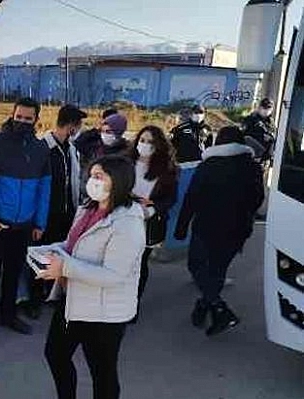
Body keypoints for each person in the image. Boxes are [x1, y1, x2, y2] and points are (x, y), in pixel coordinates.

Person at [39, 155, 145, 399]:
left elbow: (114, 275)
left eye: (99, 177)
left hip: (104, 314)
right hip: (73, 300)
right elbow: (72, 244)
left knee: (102, 373)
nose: (92, 181)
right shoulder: (88, 208)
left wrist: (64, 268)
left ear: (117, 181)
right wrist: (46, 252)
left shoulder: (128, 223)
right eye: (91, 176)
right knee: (55, 354)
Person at [0, 97, 51, 343]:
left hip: (24, 225)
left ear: (36, 120)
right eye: (19, 117)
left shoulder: (40, 150)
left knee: (14, 271)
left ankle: (8, 315)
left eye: (28, 119)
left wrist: (40, 222)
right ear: (12, 115)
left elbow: (44, 189)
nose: (23, 122)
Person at [174, 126, 264, 336]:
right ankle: (205, 306)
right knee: (217, 269)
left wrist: (181, 227)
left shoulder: (209, 165)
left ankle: (219, 308)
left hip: (207, 226)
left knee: (196, 265)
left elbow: (192, 198)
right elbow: (258, 199)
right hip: (238, 229)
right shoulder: (252, 167)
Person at [24, 104, 87, 320]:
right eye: (78, 126)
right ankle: (34, 299)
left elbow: (76, 182)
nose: (79, 130)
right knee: (38, 258)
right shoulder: (43, 149)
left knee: (58, 257)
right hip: (44, 216)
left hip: (67, 214)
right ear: (70, 126)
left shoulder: (72, 150)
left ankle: (52, 295)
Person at [128, 126, 178, 321]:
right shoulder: (126, 162)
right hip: (123, 218)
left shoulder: (167, 169)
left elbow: (170, 199)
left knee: (139, 264)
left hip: (148, 222)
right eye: (142, 140)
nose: (145, 145)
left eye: (151, 142)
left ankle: (133, 303)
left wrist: (153, 207)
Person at [242, 98, 276, 164]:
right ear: (260, 107)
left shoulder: (271, 123)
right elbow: (245, 135)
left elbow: (273, 138)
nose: (265, 110)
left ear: (271, 110)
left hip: (263, 158)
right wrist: (261, 135)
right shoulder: (251, 119)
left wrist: (269, 137)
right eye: (264, 107)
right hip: (249, 154)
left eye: (268, 108)